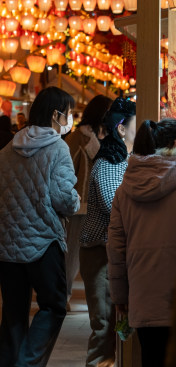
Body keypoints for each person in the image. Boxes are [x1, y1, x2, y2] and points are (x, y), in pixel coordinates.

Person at [0, 85, 80, 367]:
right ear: (56, 115)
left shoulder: (7, 148)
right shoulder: (57, 148)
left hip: (6, 243)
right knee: (53, 306)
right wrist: (76, 200)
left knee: (13, 313)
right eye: (69, 114)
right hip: (42, 242)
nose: (70, 119)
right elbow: (64, 199)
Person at [107, 118, 176, 367]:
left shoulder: (125, 189)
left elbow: (115, 250)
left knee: (153, 365)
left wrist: (120, 298)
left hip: (144, 297)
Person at [79, 96, 136, 367]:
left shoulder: (122, 158)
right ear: (122, 129)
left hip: (110, 251)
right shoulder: (110, 162)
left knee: (113, 323)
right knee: (104, 325)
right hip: (99, 253)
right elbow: (116, 207)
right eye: (136, 124)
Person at [64, 95, 112, 303]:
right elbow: (66, 169)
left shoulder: (109, 137)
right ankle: (62, 294)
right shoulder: (78, 137)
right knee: (72, 254)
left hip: (102, 205)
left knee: (99, 255)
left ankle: (98, 296)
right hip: (80, 204)